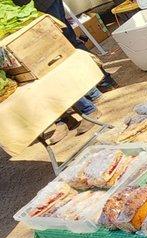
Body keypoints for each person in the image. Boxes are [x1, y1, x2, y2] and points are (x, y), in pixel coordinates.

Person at [12, 0, 117, 143]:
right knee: (51, 55)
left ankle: (100, 85)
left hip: (41, 5)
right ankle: (65, 117)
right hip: (21, 11)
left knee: (61, 47)